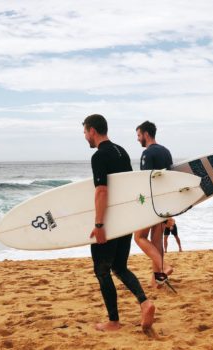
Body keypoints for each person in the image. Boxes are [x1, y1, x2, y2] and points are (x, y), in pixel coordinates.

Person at [83, 114, 155, 332]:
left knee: (102, 270)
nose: (85, 136)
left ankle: (114, 321)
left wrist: (99, 225)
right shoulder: (121, 151)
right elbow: (129, 187)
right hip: (125, 219)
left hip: (110, 223)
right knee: (120, 266)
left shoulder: (99, 156)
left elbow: (102, 190)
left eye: (85, 132)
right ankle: (144, 302)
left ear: (93, 131)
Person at [134, 121, 173, 287]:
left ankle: (163, 267)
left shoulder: (147, 154)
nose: (138, 139)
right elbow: (171, 179)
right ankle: (157, 280)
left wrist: (140, 202)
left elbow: (146, 181)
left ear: (146, 134)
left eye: (138, 135)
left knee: (139, 237)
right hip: (165, 202)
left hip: (152, 203)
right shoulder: (166, 152)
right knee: (156, 242)